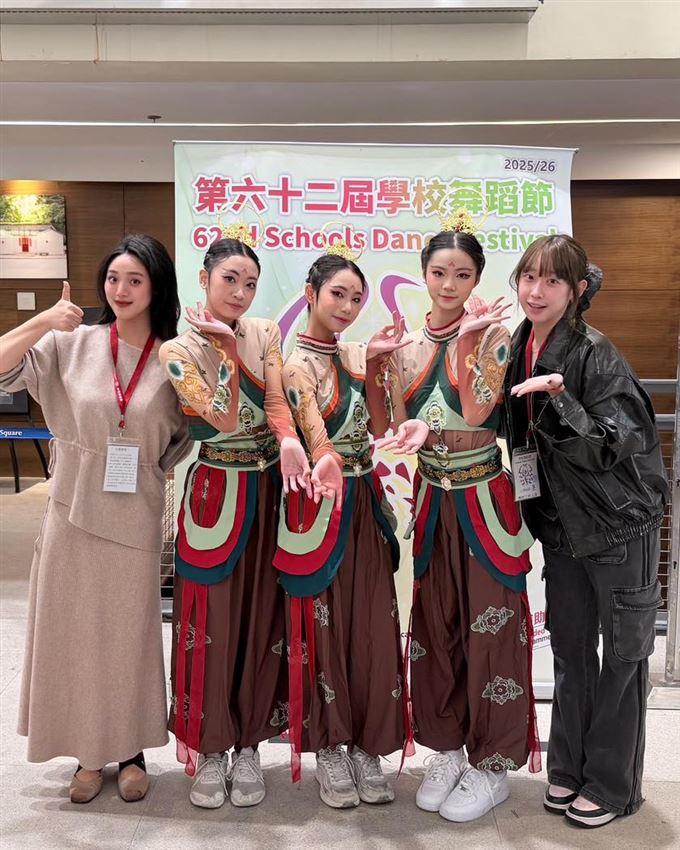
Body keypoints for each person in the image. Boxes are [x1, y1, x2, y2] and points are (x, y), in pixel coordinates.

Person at [0, 234, 192, 804]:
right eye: (113, 279)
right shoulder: (72, 342)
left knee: (129, 636)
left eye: (135, 280)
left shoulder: (174, 356)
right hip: (71, 510)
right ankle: (88, 755)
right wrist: (44, 322)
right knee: (75, 633)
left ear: (156, 287)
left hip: (135, 514)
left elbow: (185, 435)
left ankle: (131, 752)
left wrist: (150, 470)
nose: (121, 290)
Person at [503, 233, 667, 829]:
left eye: (552, 281)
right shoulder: (521, 342)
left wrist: (563, 400)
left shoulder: (598, 354)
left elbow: (610, 445)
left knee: (623, 657)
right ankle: (568, 769)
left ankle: (612, 786)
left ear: (575, 290)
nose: (536, 291)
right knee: (571, 650)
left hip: (620, 525)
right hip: (562, 526)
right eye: (528, 277)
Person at [377, 226, 539, 823]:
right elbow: (391, 424)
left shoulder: (494, 335)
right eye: (439, 272)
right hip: (431, 497)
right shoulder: (405, 344)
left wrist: (469, 337)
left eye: (462, 274)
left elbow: (476, 411)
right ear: (424, 273)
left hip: (484, 496)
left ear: (477, 279)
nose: (449, 285)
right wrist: (375, 365)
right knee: (435, 625)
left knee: (492, 628)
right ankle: (445, 748)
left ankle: (492, 764)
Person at [158, 236, 310, 810]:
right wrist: (223, 349)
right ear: (204, 279)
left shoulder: (265, 331)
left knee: (262, 617)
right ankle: (209, 748)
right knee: (208, 620)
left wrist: (289, 440)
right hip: (215, 489)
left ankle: (249, 745)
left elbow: (274, 401)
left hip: (268, 487)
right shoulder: (178, 349)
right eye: (229, 280)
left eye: (250, 283)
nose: (241, 293)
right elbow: (219, 420)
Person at [273, 252, 407, 809]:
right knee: (321, 628)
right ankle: (329, 748)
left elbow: (382, 425)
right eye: (338, 294)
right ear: (311, 293)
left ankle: (368, 747)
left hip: (363, 501)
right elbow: (313, 432)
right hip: (318, 501)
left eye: (356, 298)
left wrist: (375, 367)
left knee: (372, 623)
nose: (348, 307)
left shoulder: (355, 354)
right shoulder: (294, 365)